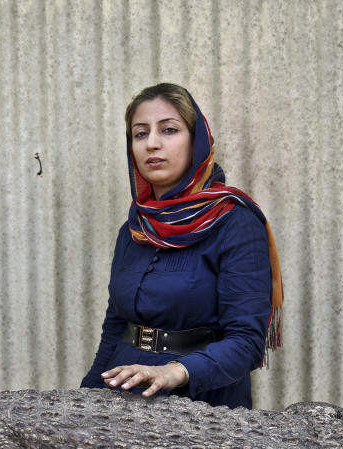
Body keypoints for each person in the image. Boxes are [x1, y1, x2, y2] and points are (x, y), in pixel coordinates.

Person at [79, 83, 283, 409]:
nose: (152, 144)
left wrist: (174, 372)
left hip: (205, 404)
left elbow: (246, 342)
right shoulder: (135, 230)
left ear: (197, 141)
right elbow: (116, 328)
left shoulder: (235, 223)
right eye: (140, 134)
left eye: (169, 130)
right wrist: (85, 399)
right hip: (122, 401)